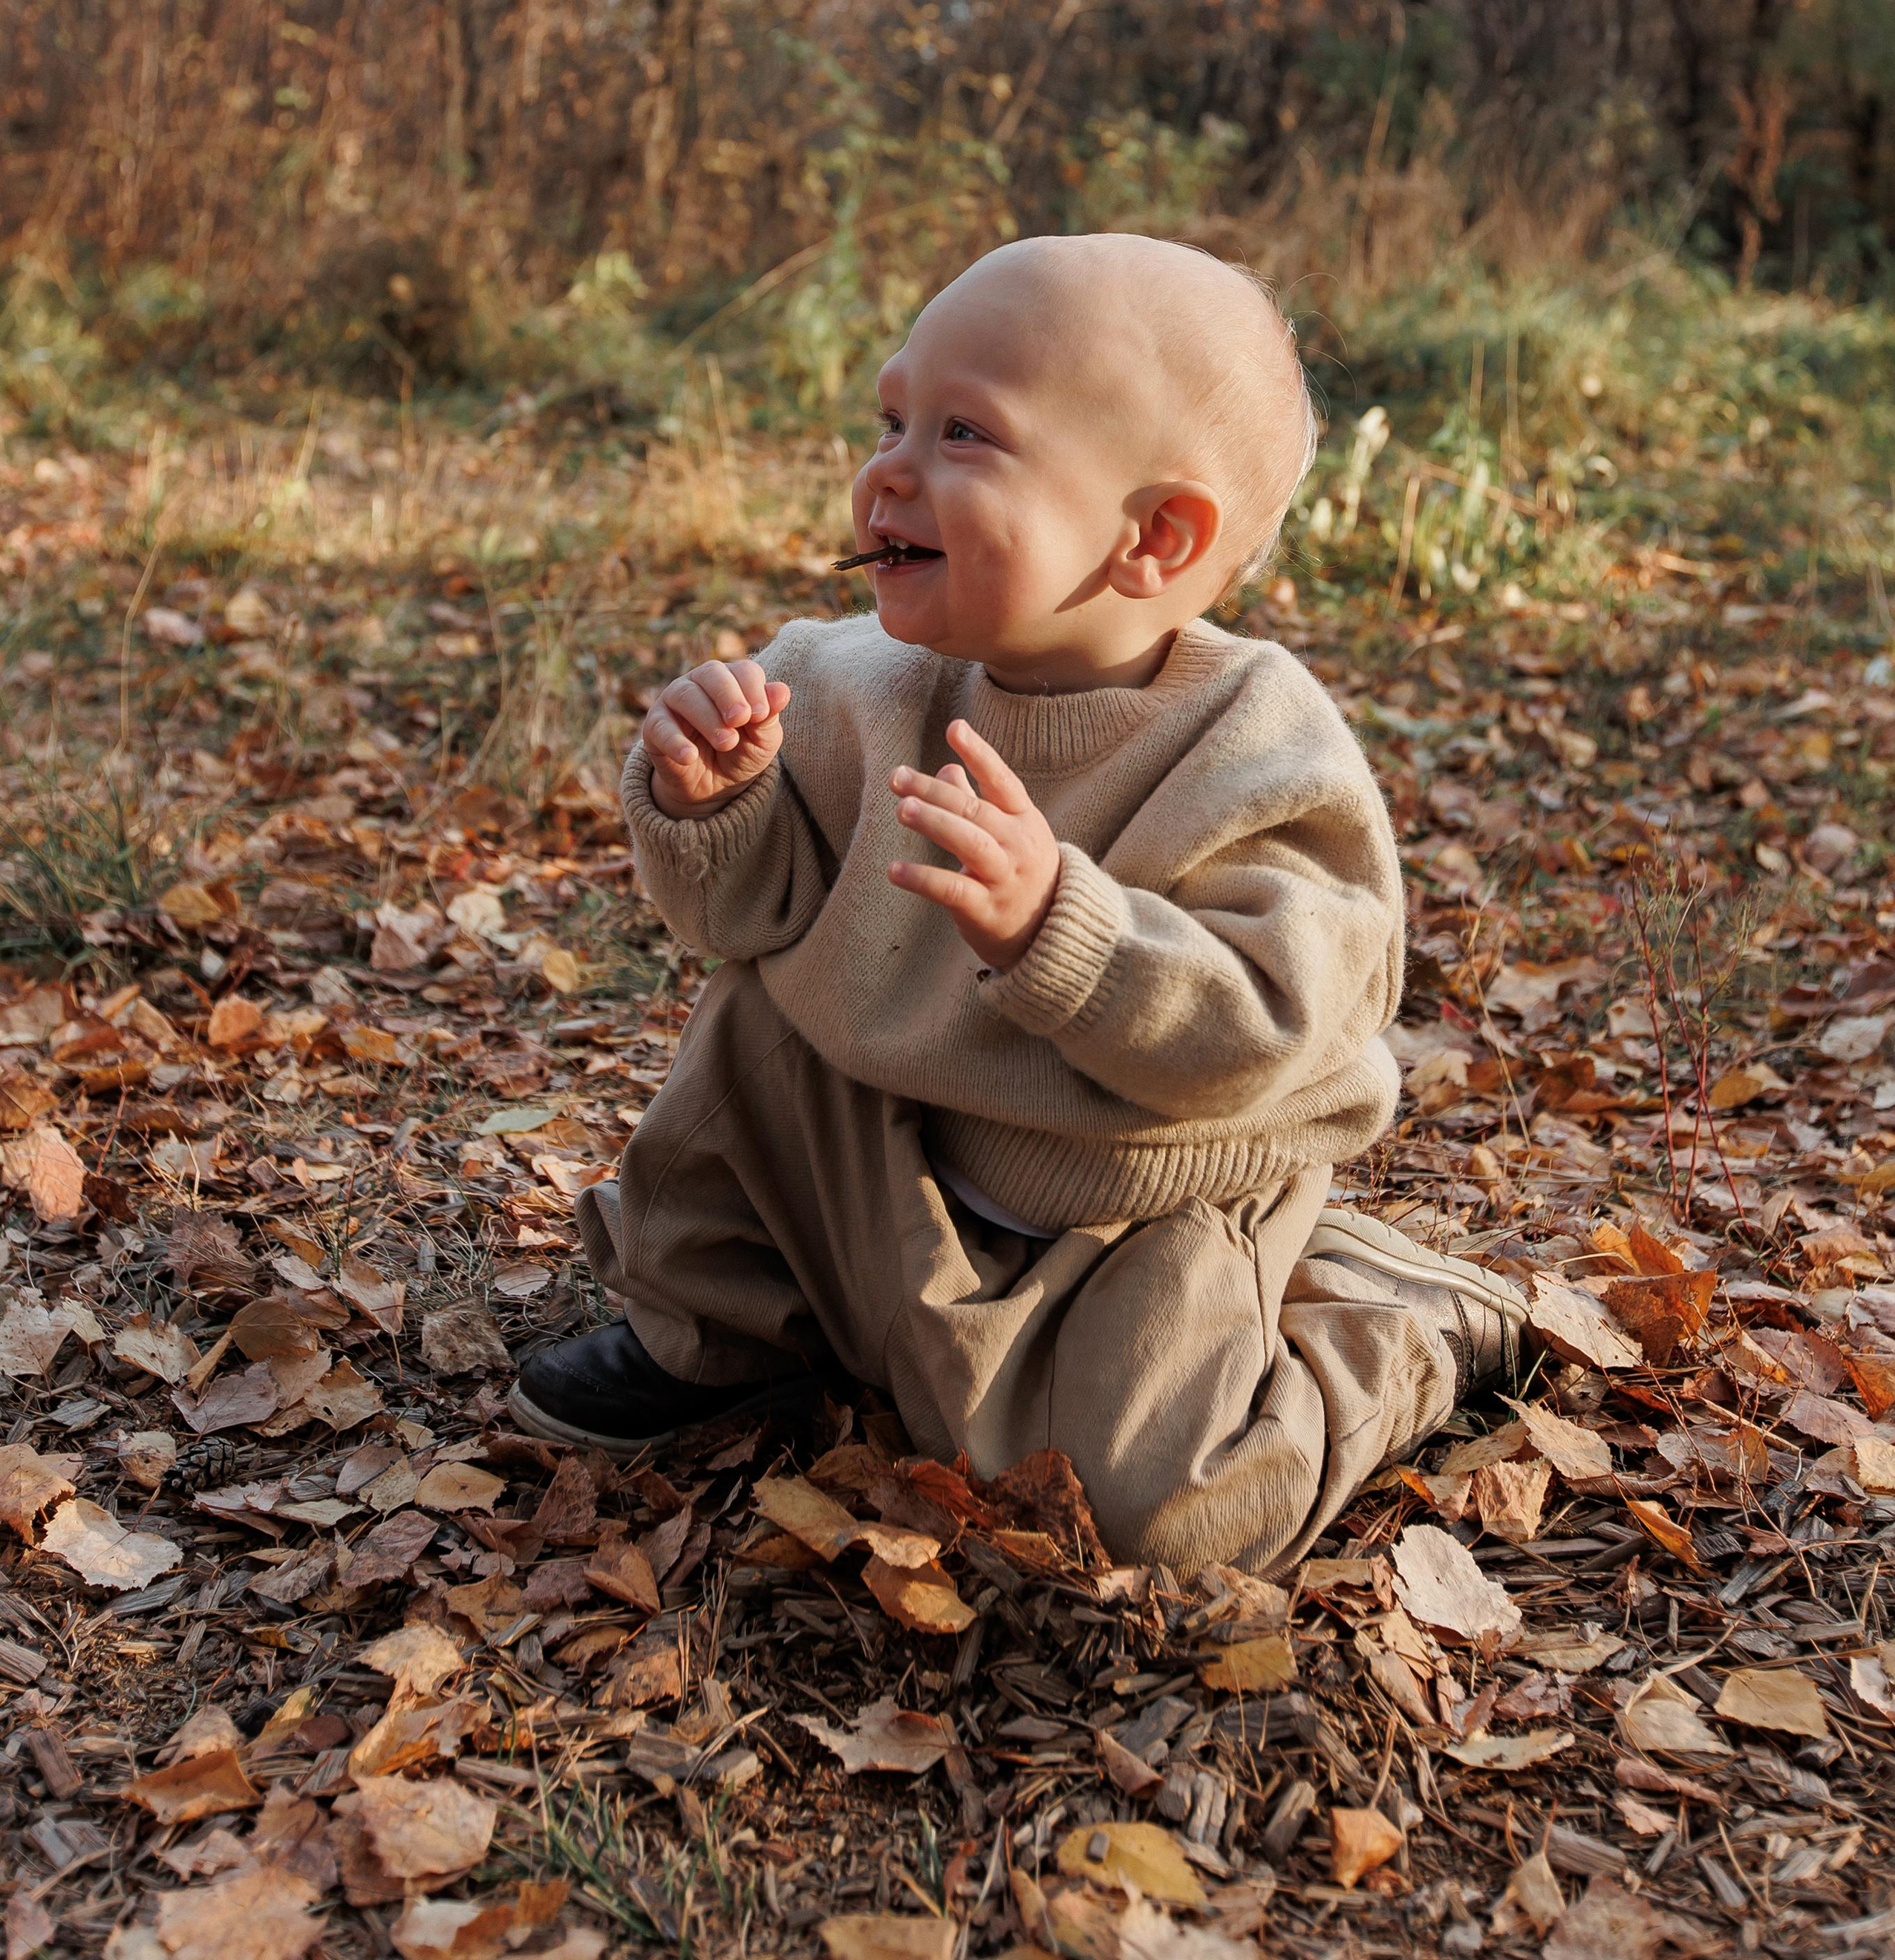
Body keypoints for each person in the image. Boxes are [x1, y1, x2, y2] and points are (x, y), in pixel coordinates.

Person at [511, 235, 1527, 1575]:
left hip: (1136, 1193)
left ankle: (1399, 1323)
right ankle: (724, 1330)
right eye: (891, 418)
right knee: (762, 1018)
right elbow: (741, 918)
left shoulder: (1257, 749)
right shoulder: (844, 681)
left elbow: (1273, 1025)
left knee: (1153, 1510)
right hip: (901, 1143)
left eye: (965, 434)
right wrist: (715, 804)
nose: (887, 470)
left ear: (1152, 537)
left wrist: (1069, 929)